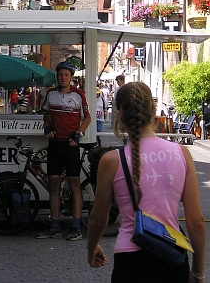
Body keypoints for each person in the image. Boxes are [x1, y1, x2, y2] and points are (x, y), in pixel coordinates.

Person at [87, 82, 205, 283]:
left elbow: (98, 219)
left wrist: (92, 249)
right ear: (153, 111)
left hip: (130, 259)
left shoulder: (111, 161)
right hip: (172, 256)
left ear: (120, 117)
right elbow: (195, 223)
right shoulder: (181, 153)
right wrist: (198, 272)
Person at [36, 61, 91, 241]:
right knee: (53, 185)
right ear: (57, 76)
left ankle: (76, 226)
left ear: (71, 77)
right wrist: (46, 127)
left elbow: (88, 117)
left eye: (66, 75)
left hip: (70, 145)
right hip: (55, 145)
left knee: (74, 185)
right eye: (60, 74)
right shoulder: (51, 94)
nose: (63, 77)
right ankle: (55, 225)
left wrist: (79, 133)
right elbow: (46, 114)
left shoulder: (78, 95)